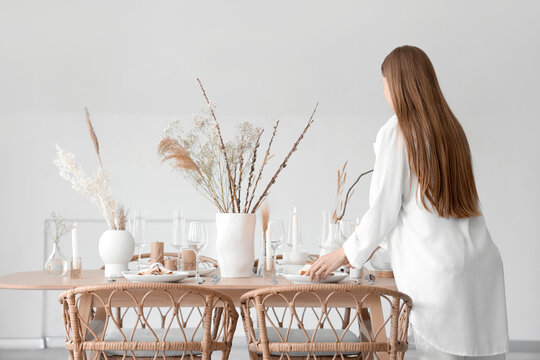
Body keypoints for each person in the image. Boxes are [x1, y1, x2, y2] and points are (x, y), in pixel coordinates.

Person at [305, 45, 509, 359]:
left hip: (440, 275)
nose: (383, 92)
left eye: (384, 85)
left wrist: (342, 253)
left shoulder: (398, 132)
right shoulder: (452, 131)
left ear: (398, 86)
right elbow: (424, 212)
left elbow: (383, 211)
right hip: (481, 266)